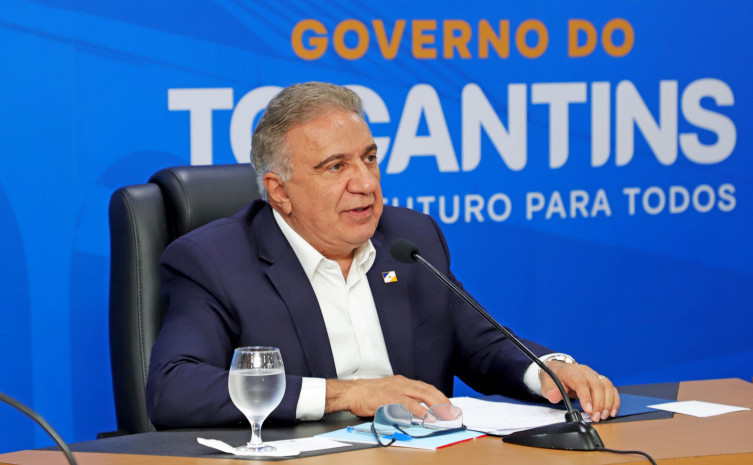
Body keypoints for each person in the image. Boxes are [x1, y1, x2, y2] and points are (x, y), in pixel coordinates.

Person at [145, 82, 619, 429]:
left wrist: (550, 371)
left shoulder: (410, 237)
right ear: (280, 192)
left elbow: (479, 345)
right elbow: (175, 388)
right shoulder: (214, 260)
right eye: (336, 166)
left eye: (369, 158)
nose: (366, 183)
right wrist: (347, 395)